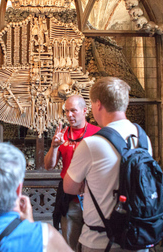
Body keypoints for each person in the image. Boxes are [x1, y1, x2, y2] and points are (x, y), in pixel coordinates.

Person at [63, 77, 152, 252]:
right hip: (137, 236)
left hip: (101, 241)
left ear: (98, 104)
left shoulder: (92, 143)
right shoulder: (143, 138)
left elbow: (69, 188)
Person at [44, 95, 100, 250]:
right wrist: (54, 146)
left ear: (84, 111)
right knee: (69, 244)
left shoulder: (98, 133)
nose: (69, 115)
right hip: (70, 200)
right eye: (67, 111)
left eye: (73, 111)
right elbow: (49, 166)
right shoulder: (62, 135)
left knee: (95, 244)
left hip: (94, 198)